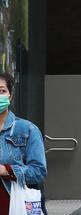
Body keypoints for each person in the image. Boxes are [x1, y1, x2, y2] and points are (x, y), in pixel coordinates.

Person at [0, 72, 47, 215]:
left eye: (2, 91)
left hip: (14, 205)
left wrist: (7, 170)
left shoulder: (27, 129)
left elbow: (39, 171)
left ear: (10, 96)